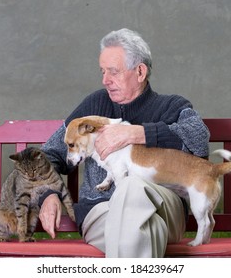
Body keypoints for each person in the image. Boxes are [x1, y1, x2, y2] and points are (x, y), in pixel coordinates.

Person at [38, 28, 210, 258]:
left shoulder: (171, 106)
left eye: (113, 72)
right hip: (102, 212)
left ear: (140, 71)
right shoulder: (94, 105)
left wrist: (136, 133)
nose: (105, 80)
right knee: (143, 231)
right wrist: (48, 193)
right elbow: (50, 153)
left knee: (131, 185)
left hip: (163, 209)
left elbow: (199, 140)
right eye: (102, 72)